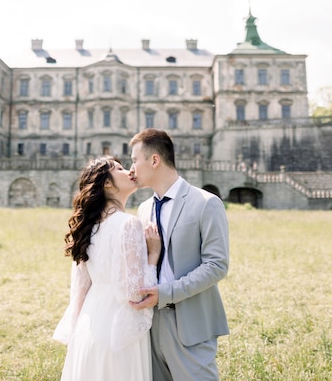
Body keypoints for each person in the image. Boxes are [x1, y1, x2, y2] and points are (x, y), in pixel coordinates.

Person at [129, 129, 230, 381]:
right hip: (149, 325)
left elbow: (217, 265)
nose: (131, 168)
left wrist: (166, 293)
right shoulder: (143, 209)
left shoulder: (206, 203)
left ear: (154, 160)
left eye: (134, 160)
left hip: (189, 322)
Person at [53, 155, 161, 381]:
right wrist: (153, 255)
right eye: (120, 169)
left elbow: (80, 290)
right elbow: (136, 293)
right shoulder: (128, 223)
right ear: (108, 183)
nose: (129, 171)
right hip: (117, 329)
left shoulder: (88, 228)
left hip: (88, 325)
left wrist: (76, 331)